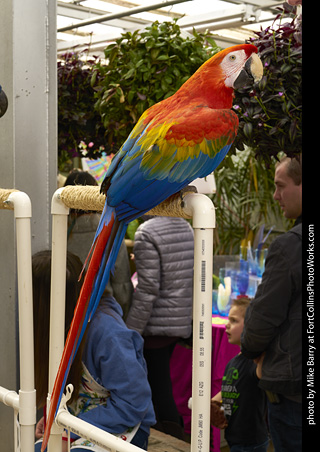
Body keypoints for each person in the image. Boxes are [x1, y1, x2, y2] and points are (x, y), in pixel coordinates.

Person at [32, 250, 155, 451]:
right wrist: (50, 417)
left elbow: (134, 403)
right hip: (77, 421)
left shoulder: (108, 334)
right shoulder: (58, 326)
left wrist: (70, 427)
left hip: (123, 425)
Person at [241, 155, 302, 450]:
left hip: (292, 396)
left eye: (281, 186)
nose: (275, 195)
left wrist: (252, 350)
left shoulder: (290, 247)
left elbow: (260, 323)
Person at [125, 215, 194, 440]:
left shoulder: (146, 233)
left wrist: (130, 332)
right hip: (178, 322)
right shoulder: (186, 227)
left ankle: (173, 439)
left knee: (158, 390)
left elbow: (148, 290)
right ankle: (176, 434)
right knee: (163, 386)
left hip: (154, 326)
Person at [64, 168, 133, 319]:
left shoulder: (55, 231)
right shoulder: (111, 230)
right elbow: (121, 285)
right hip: (101, 314)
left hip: (65, 314)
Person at [211, 297, 269, 452]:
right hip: (235, 439)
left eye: (234, 321)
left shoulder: (256, 362)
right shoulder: (233, 362)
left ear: (250, 325)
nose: (227, 325)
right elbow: (232, 387)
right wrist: (213, 403)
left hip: (251, 443)